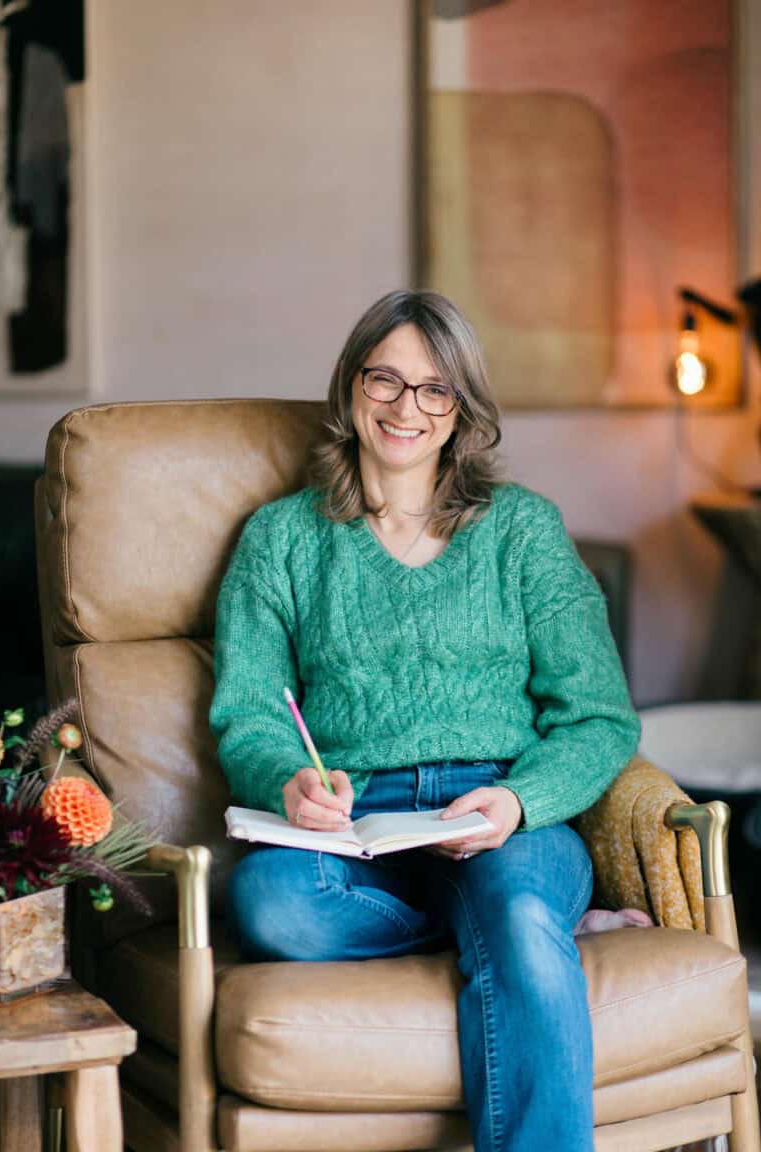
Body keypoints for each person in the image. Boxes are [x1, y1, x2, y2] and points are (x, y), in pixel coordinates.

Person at [210, 289, 641, 1152]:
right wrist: (289, 781)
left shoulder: (523, 532)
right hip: (361, 828)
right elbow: (249, 712)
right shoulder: (281, 539)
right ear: (351, 388)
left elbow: (601, 719)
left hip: (504, 816)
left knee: (516, 911)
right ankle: (506, 928)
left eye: (434, 389)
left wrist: (518, 804)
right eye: (386, 380)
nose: (406, 408)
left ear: (461, 412)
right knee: (270, 903)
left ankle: (520, 922)